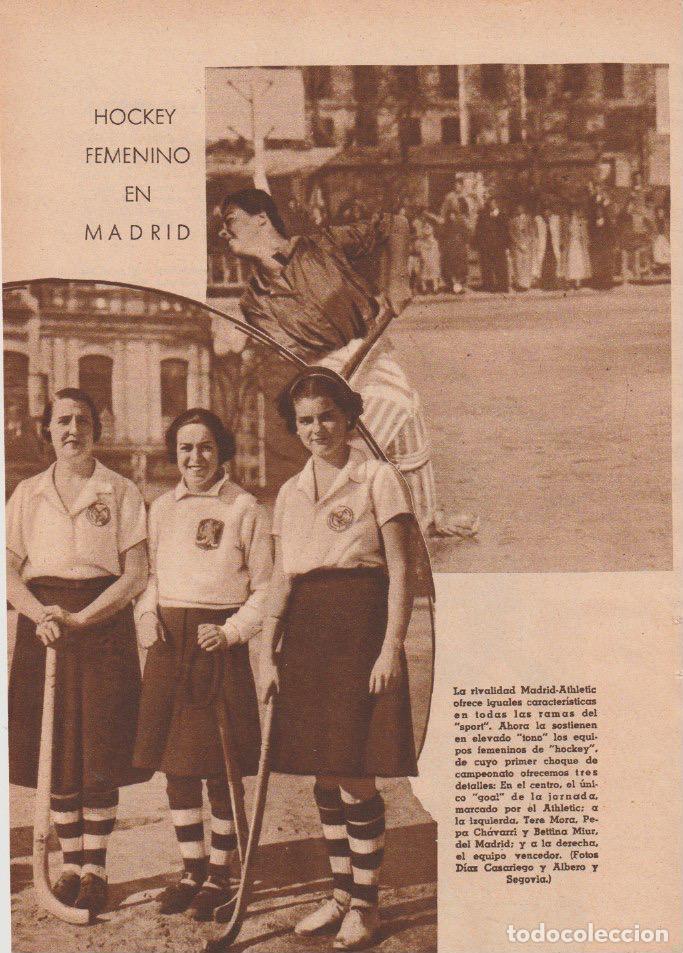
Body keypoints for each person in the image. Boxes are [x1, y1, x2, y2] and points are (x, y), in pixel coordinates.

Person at [260, 367, 418, 950]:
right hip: (304, 631)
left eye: (328, 415)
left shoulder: (378, 477)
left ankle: (367, 906)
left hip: (359, 624)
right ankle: (340, 894)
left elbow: (402, 570)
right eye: (305, 419)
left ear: (349, 415)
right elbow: (281, 576)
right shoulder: (289, 490)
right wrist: (269, 651)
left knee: (354, 771)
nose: (317, 428)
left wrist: (390, 647)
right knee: (324, 773)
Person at [219, 186, 479, 539]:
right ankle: (328, 526)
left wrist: (397, 279)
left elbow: (395, 224)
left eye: (230, 220)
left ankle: (422, 518)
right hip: (324, 373)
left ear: (262, 219)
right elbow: (289, 353)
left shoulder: (320, 245)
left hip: (371, 350)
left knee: (407, 419)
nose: (223, 231)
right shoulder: (254, 300)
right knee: (378, 423)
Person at [6, 387, 150, 915]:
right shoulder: (26, 492)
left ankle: (96, 868)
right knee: (56, 744)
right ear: (48, 429)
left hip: (101, 621)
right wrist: (39, 613)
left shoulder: (120, 491)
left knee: (99, 744)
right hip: (43, 624)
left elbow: (135, 574)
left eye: (82, 420)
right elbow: (8, 572)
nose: (72, 430)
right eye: (62, 421)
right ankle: (69, 864)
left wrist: (84, 618)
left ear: (97, 428)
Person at [132, 408, 270, 920]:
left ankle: (221, 871)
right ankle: (190, 868)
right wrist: (147, 614)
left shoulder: (244, 506)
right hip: (171, 644)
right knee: (177, 764)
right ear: (175, 453)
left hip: (218, 644)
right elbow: (149, 576)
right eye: (186, 448)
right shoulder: (162, 508)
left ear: (222, 451)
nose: (195, 458)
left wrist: (232, 630)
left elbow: (266, 590)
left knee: (220, 766)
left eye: (206, 447)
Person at [475, 197, 510, 292]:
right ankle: (488, 285)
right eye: (490, 203)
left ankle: (503, 286)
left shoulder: (502, 216)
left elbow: (506, 232)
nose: (492, 205)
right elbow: (479, 230)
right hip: (486, 245)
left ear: (497, 204)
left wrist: (506, 245)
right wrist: (479, 243)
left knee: (500, 266)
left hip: (499, 245)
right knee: (486, 266)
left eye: (494, 203)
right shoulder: (483, 215)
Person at [560, 203, 592, 290]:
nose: (574, 214)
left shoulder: (581, 222)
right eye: (573, 212)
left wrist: (585, 240)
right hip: (571, 244)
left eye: (576, 212)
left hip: (578, 244)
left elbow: (584, 233)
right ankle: (570, 281)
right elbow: (565, 233)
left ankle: (578, 282)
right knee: (570, 262)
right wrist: (564, 241)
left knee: (579, 262)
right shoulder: (568, 222)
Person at [508, 203, 535, 291]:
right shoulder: (513, 220)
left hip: (527, 245)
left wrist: (527, 243)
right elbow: (511, 233)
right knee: (518, 265)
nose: (519, 210)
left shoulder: (529, 219)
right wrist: (518, 243)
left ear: (524, 209)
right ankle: (519, 284)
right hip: (517, 246)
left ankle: (526, 284)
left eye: (521, 208)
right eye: (518, 208)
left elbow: (532, 232)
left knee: (526, 264)